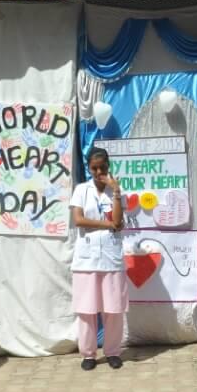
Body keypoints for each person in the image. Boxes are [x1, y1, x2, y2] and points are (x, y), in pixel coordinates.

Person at [70, 147, 128, 370]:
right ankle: (88, 354)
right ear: (88, 168)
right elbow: (79, 220)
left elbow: (119, 220)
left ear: (108, 167)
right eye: (94, 168)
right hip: (86, 259)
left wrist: (115, 192)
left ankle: (113, 351)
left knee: (113, 309)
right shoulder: (81, 191)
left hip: (111, 258)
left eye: (102, 167)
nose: (98, 172)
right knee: (86, 309)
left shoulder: (116, 190)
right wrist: (108, 225)